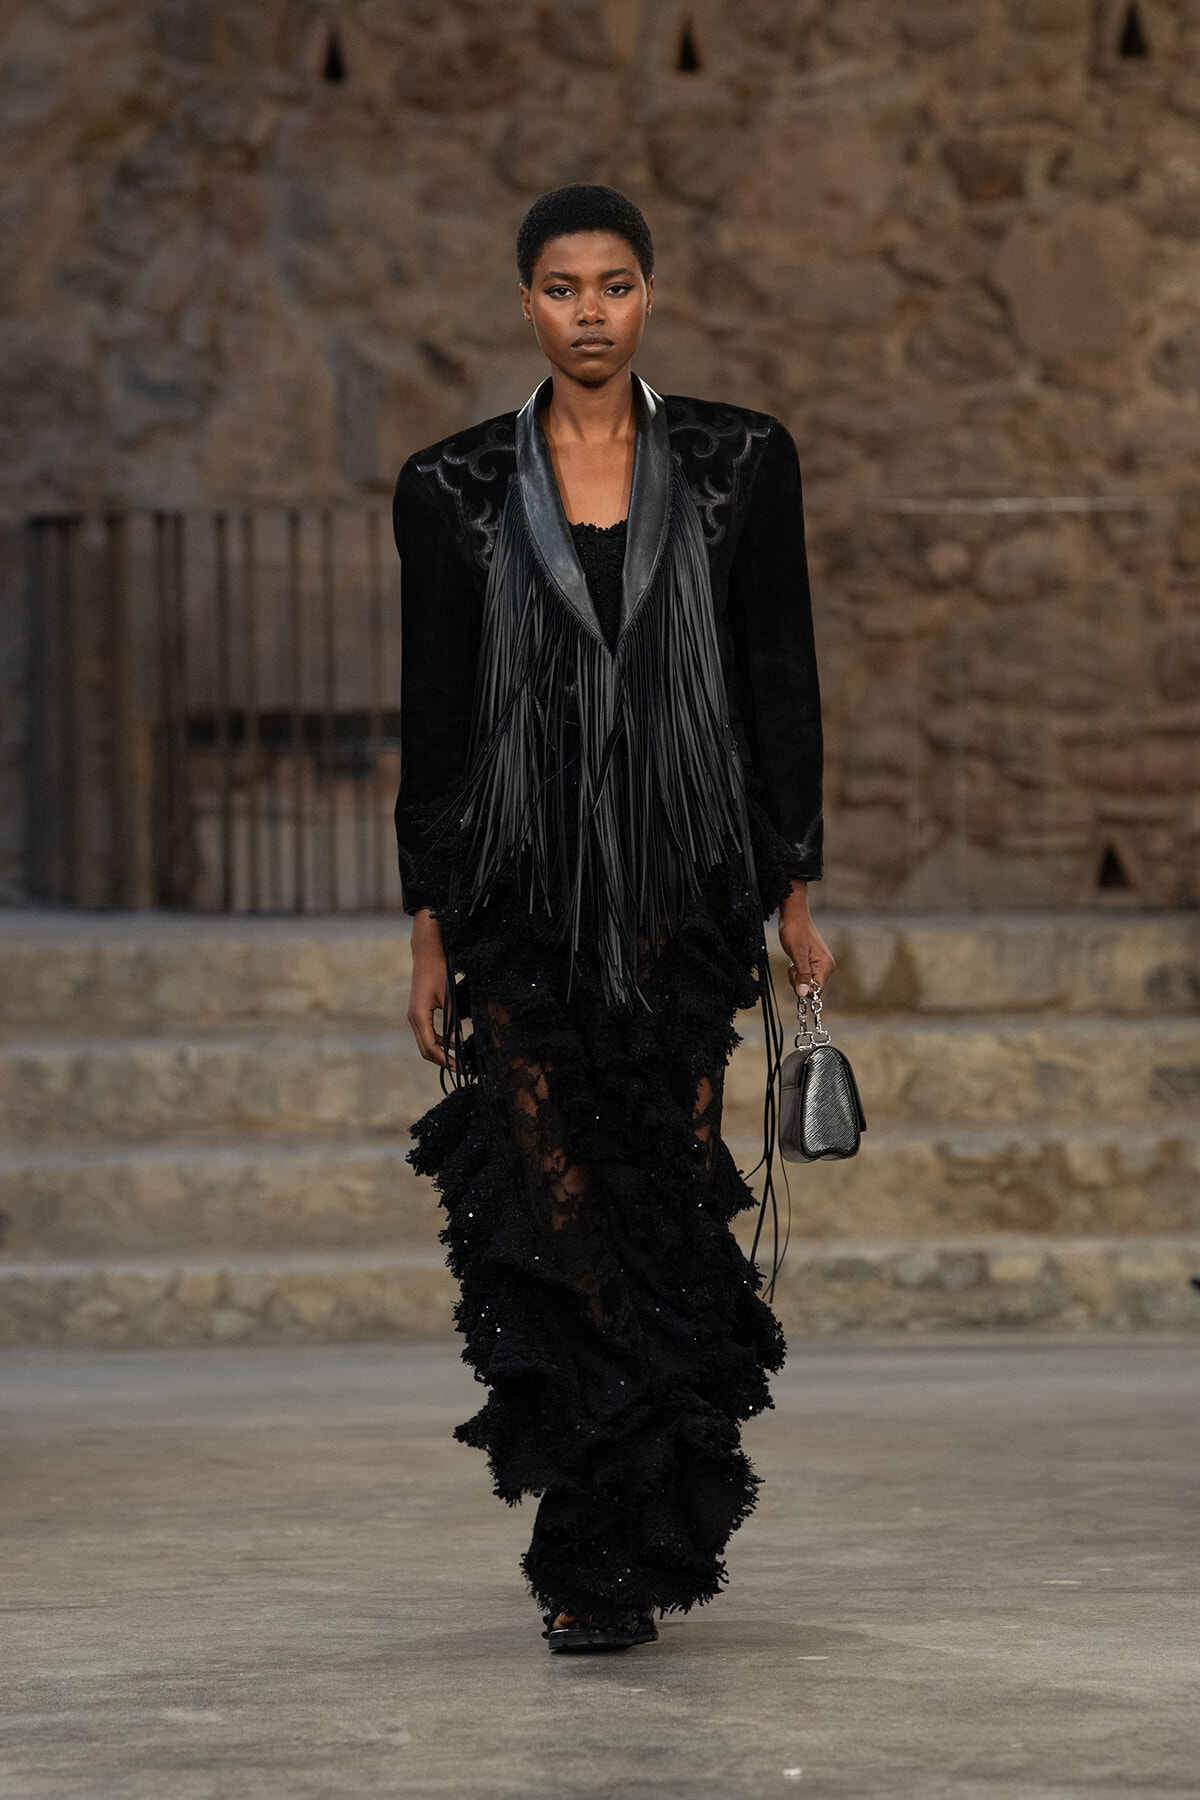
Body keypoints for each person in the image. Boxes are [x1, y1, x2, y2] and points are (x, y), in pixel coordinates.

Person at [393, 184, 832, 1654]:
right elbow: (435, 725)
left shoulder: (737, 462)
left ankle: (632, 1540)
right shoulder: (450, 486)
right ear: (526, 302)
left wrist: (796, 886)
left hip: (682, 899)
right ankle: (590, 1537)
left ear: (651, 298)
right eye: (563, 286)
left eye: (616, 283)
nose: (590, 310)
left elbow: (782, 684)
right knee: (548, 1209)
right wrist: (428, 927)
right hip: (518, 901)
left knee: (654, 1208)